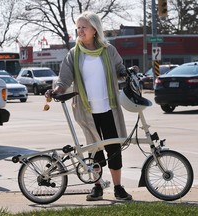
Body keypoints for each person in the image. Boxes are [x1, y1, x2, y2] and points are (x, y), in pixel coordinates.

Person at [45, 11, 135, 201]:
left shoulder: (108, 50)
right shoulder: (74, 54)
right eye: (78, 28)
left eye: (83, 27)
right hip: (86, 110)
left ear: (95, 30)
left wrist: (127, 74)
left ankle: (118, 188)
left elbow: (120, 69)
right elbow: (64, 78)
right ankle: (97, 187)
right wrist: (57, 90)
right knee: (94, 150)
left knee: (114, 148)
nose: (80, 31)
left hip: (109, 107)